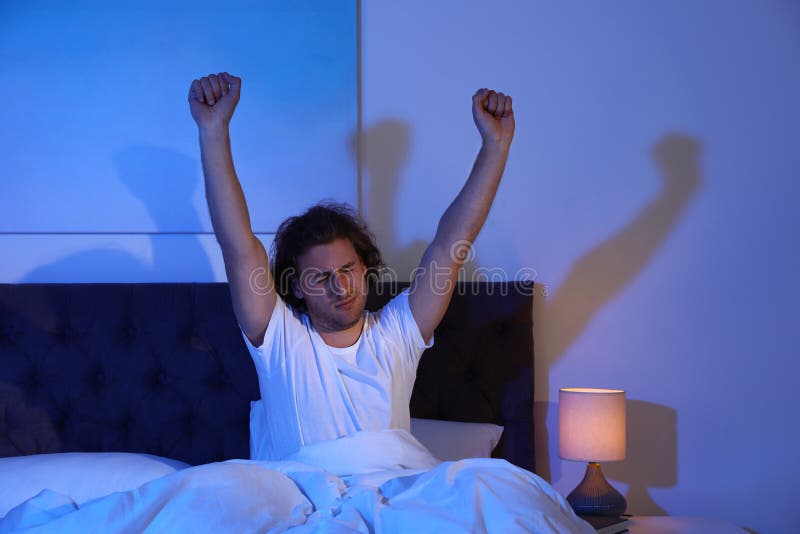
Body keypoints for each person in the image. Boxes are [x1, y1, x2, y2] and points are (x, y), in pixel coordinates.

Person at [188, 72, 514, 459]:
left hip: (395, 496)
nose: (340, 287)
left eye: (347, 270)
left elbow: (449, 246)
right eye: (321, 278)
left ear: (364, 268)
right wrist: (213, 132)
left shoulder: (397, 333)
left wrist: (495, 147)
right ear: (296, 286)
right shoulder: (281, 341)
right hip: (304, 503)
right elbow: (239, 247)